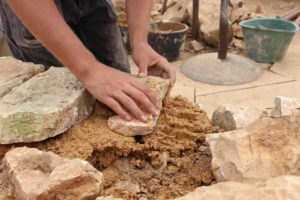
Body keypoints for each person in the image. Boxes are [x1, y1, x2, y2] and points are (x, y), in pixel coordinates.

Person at [0, 0, 176, 122]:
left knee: (117, 95)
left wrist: (139, 42)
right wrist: (90, 70)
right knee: (56, 114)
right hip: (36, 7)